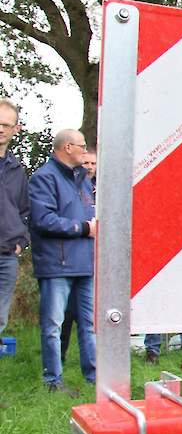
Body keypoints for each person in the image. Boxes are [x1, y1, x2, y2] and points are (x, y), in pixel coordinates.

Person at [28, 128, 96, 393]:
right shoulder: (43, 179)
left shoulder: (82, 181)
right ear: (67, 147)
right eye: (81, 146)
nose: (84, 150)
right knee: (53, 326)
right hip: (57, 264)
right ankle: (53, 382)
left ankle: (94, 380)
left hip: (85, 264)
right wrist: (83, 228)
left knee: (90, 326)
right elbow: (43, 220)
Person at [61, 150, 96, 364]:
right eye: (86, 162)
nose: (89, 166)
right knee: (64, 315)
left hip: (94, 261)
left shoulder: (101, 189)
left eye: (93, 163)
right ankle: (60, 359)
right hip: (69, 258)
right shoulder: (70, 187)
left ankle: (94, 367)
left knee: (89, 318)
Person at [0, 100, 29, 338]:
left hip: (7, 254)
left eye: (6, 125)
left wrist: (22, 241)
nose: (1, 129)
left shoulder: (17, 170)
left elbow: (24, 211)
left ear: (15, 129)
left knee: (0, 317)